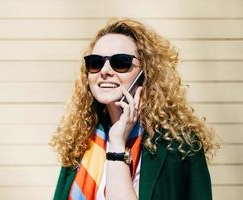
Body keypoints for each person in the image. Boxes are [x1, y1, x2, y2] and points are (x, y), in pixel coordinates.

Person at [50, 18, 219, 200]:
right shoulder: (79, 141)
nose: (104, 71)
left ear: (145, 74)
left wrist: (117, 144)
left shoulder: (180, 146)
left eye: (121, 62)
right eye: (96, 62)